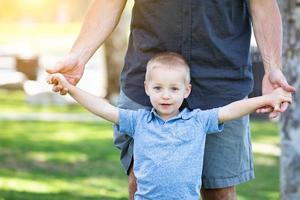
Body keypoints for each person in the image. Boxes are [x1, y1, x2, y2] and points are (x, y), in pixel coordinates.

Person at [47, 1, 296, 199]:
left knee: (218, 190)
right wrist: (79, 57)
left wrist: (273, 68)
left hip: (221, 78)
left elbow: (262, 4)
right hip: (147, 73)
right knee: (141, 180)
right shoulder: (142, 110)